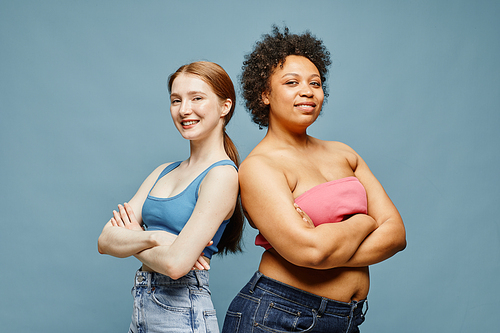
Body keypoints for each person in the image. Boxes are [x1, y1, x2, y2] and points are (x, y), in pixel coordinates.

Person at [222, 27, 406, 333]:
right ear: (265, 94)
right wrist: (364, 223)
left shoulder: (344, 153)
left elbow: (397, 235)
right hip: (278, 317)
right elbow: (310, 252)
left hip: (346, 319)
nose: (307, 91)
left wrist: (325, 247)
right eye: (291, 82)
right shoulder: (259, 167)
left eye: (315, 83)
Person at [98, 61, 244, 333]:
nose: (184, 110)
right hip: (141, 309)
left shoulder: (223, 175)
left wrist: (132, 235)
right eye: (176, 100)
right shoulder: (162, 172)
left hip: (182, 314)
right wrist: (155, 237)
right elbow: (105, 241)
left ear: (225, 106)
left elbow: (176, 265)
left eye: (197, 98)